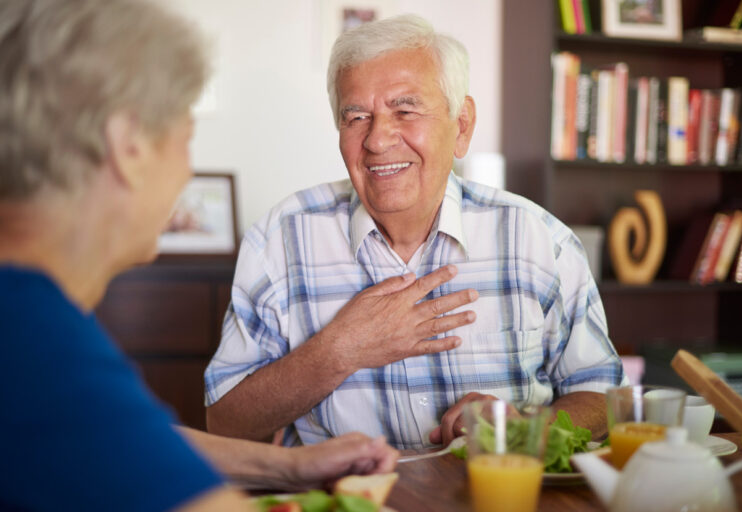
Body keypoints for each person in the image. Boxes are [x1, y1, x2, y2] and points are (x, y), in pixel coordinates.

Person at [0, 0, 398, 510]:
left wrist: (288, 466)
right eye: (187, 139)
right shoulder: (32, 342)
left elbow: (127, 440)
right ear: (129, 147)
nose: (188, 174)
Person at [205, 14, 626, 451]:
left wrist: (523, 426)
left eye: (405, 111)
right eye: (356, 118)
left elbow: (606, 396)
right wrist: (339, 351)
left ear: (461, 125)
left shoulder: (539, 240)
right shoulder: (279, 240)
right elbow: (225, 423)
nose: (377, 139)